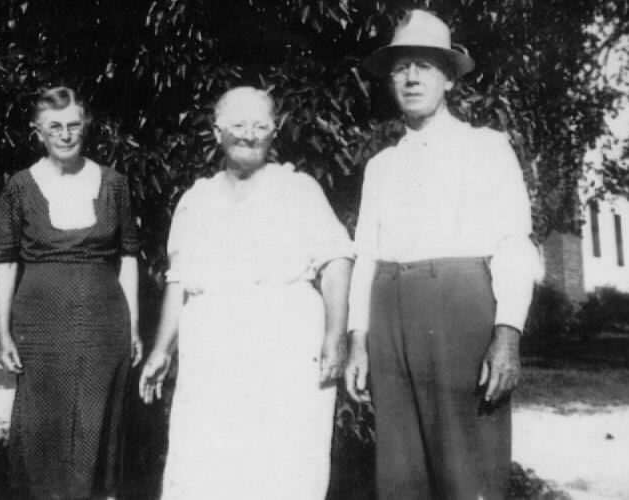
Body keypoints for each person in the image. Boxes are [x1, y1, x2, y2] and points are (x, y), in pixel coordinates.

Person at [345, 10, 541, 499]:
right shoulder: (381, 165)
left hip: (459, 309)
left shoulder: (487, 147)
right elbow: (365, 254)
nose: (411, 78)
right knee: (400, 472)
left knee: (466, 468)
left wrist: (508, 333)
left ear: (450, 78)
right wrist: (357, 339)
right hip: (388, 314)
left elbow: (513, 243)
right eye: (400, 68)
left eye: (425, 67)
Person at [139, 86, 353, 500]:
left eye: (259, 125)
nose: (249, 135)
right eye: (238, 124)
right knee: (207, 461)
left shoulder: (299, 189)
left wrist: (335, 335)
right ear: (217, 131)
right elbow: (180, 281)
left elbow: (337, 261)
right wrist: (162, 351)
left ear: (275, 131)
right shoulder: (196, 200)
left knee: (283, 462)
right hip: (212, 354)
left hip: (284, 350)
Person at [0, 86, 141, 499]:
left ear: (85, 126)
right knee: (45, 429)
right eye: (54, 126)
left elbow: (129, 258)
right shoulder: (19, 187)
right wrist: (3, 332)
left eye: (73, 124)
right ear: (38, 131)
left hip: (104, 326)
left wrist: (133, 327)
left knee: (98, 420)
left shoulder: (114, 184)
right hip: (39, 328)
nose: (65, 134)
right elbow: (5, 262)